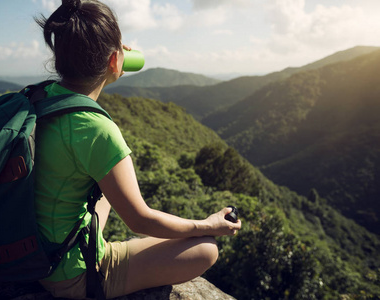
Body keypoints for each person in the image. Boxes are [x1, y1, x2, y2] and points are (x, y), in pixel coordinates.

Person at [34, 0, 242, 299]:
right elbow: (139, 220)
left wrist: (111, 56)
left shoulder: (43, 97)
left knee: (104, 188)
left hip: (33, 248)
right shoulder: (96, 130)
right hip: (67, 275)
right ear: (115, 61)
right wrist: (206, 224)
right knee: (205, 250)